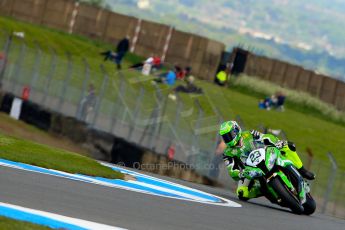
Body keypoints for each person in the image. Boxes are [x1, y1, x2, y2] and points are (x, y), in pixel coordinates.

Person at [219, 120, 315, 200]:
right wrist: (241, 173)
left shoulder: (249, 134)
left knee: (287, 146)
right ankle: (264, 190)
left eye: (229, 135)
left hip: (266, 157)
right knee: (241, 193)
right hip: (250, 170)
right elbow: (231, 170)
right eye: (225, 137)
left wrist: (276, 142)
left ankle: (303, 170)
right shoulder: (227, 153)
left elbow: (265, 137)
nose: (228, 139)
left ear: (236, 131)